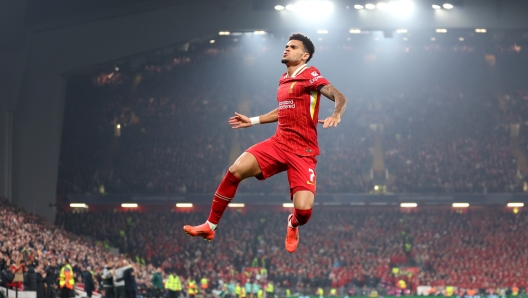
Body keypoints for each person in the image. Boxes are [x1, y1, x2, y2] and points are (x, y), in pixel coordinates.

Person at [184, 32, 347, 253]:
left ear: (305, 55)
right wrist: (252, 121)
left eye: (293, 47)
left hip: (303, 152)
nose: (287, 48)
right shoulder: (283, 79)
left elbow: (339, 96)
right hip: (278, 144)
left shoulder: (310, 75)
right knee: (235, 170)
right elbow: (284, 110)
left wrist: (336, 114)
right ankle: (210, 226)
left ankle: (293, 223)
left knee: (304, 212)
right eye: (287, 45)